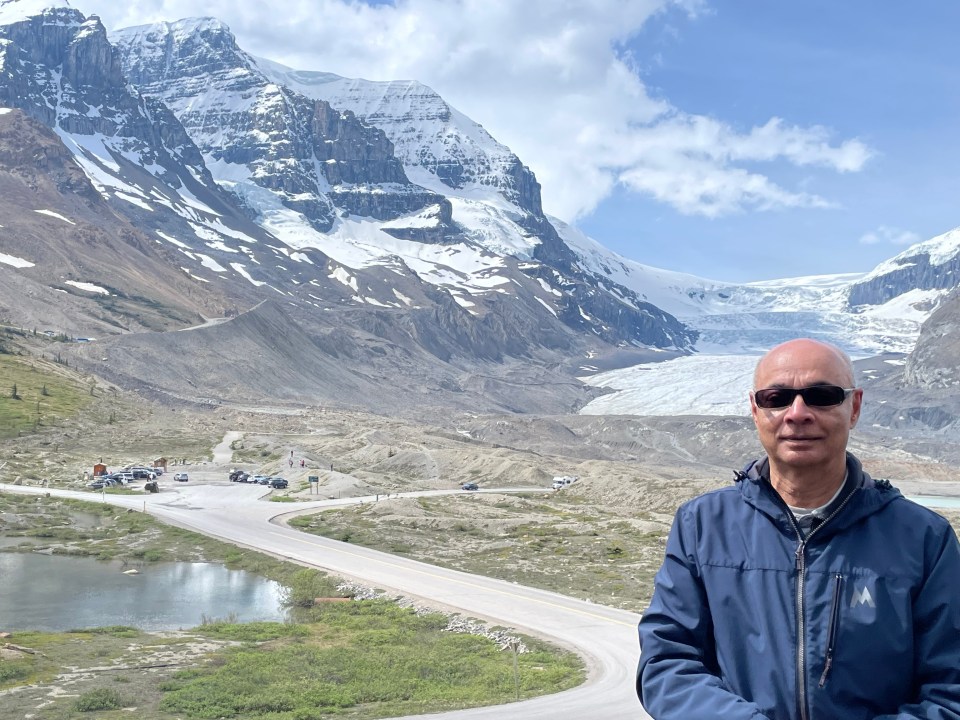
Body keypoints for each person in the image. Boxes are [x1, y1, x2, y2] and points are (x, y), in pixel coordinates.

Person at [637, 338, 960, 720]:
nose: (797, 413)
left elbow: (950, 689)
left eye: (821, 395)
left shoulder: (923, 538)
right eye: (777, 397)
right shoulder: (702, 525)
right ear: (755, 410)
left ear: (853, 407)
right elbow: (667, 663)